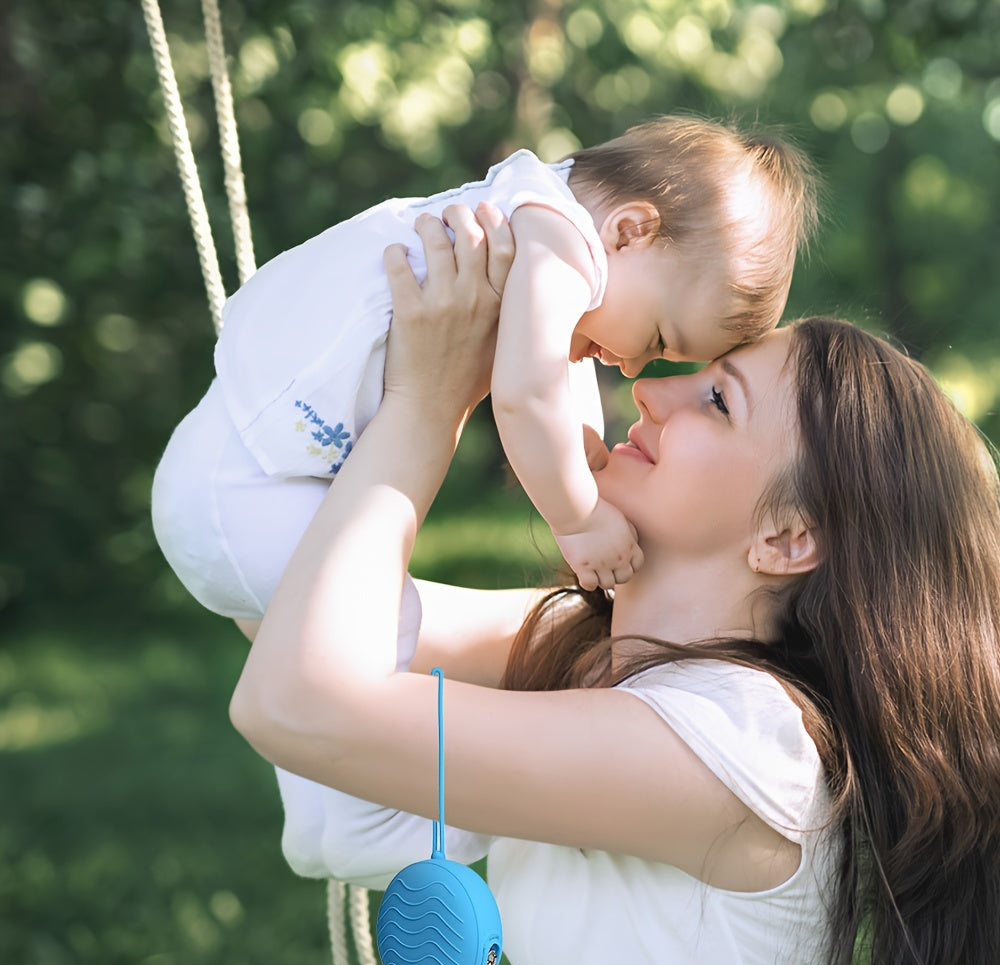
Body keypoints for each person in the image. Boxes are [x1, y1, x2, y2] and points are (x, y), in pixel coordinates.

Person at [229, 208, 1000, 965]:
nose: (651, 392)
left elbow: (293, 701)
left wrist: (427, 405)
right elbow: (277, 606)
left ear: (787, 539)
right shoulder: (600, 649)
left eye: (719, 402)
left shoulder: (742, 749)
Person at [151, 114, 819, 619]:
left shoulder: (538, 215)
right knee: (371, 638)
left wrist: (577, 445)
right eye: (656, 335)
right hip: (241, 496)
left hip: (237, 468)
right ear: (630, 231)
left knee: (355, 647)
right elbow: (525, 397)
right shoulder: (559, 247)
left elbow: (551, 380)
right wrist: (578, 517)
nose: (636, 364)